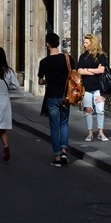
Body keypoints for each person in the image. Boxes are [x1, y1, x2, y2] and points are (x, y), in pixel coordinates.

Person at [37, 32, 74, 166]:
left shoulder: (44, 62)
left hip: (52, 96)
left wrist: (48, 81)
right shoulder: (67, 58)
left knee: (54, 126)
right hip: (66, 96)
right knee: (64, 123)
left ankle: (57, 156)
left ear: (47, 44)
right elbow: (73, 76)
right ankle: (64, 151)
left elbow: (40, 81)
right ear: (58, 43)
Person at [77, 33, 109, 142]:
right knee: (88, 110)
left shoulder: (101, 56)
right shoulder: (83, 56)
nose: (84, 44)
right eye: (84, 42)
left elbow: (102, 70)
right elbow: (79, 71)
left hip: (99, 88)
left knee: (100, 110)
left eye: (86, 42)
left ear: (92, 43)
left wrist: (88, 70)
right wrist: (94, 71)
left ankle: (100, 132)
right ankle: (90, 133)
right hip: (86, 88)